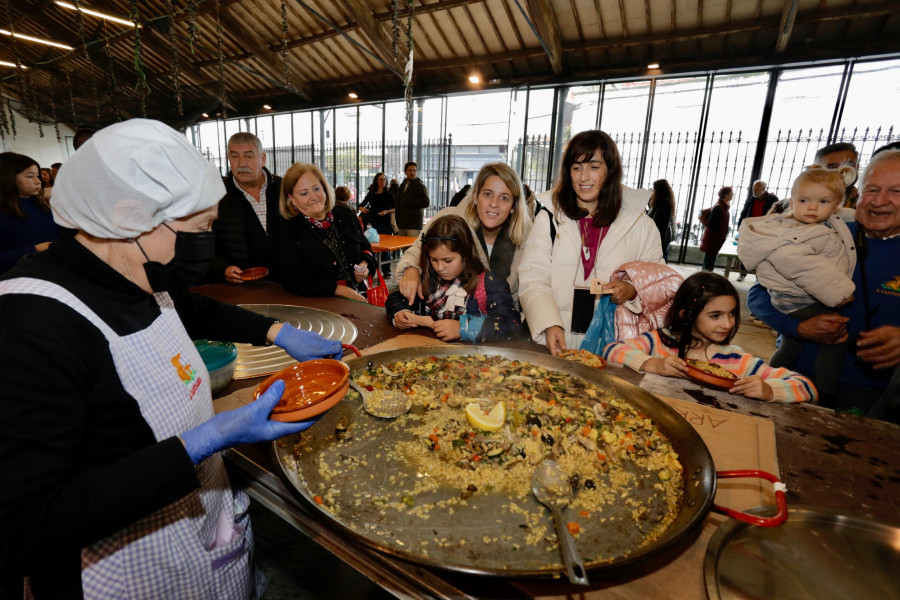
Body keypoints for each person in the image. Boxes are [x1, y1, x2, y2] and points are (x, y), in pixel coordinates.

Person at [0, 119, 343, 598]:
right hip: (124, 573)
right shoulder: (32, 322)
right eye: (197, 229)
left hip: (200, 540)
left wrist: (279, 331)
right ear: (128, 215)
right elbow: (23, 526)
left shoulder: (127, 265)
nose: (203, 241)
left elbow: (193, 306)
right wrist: (199, 443)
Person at [747, 148, 900, 420]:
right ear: (857, 193)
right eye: (872, 189)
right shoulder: (822, 233)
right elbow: (759, 293)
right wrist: (797, 326)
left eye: (896, 191)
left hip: (868, 390)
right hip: (793, 374)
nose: (880, 201)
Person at [517, 129, 665, 355]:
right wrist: (548, 322)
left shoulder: (640, 225)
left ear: (611, 171)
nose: (583, 177)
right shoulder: (549, 218)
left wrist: (632, 289)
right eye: (576, 167)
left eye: (594, 167)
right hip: (557, 339)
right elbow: (533, 275)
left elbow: (658, 280)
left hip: (615, 344)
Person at [738, 165, 855, 404]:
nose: (812, 207)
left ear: (837, 204)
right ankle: (826, 394)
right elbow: (808, 269)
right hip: (797, 299)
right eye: (803, 200)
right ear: (792, 201)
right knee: (835, 341)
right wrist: (841, 294)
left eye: (823, 201)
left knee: (792, 342)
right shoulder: (806, 232)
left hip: (790, 296)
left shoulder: (816, 226)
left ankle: (771, 377)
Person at [603, 272, 816, 403]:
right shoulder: (658, 342)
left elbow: (806, 386)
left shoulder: (735, 360)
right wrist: (652, 363)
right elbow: (610, 350)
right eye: (715, 316)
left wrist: (770, 391)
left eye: (732, 313)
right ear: (686, 315)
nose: (728, 323)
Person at [396, 162, 531, 309]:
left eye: (504, 198)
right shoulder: (449, 220)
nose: (494, 203)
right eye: (487, 194)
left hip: (505, 323)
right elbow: (415, 252)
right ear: (475, 196)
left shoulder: (528, 235)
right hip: (451, 316)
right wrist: (411, 270)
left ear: (514, 205)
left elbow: (533, 289)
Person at [385, 215, 522, 342]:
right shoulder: (428, 278)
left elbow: (512, 324)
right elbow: (396, 298)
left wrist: (463, 328)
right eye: (434, 259)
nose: (439, 267)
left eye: (448, 260)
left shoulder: (489, 283)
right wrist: (399, 312)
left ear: (466, 253)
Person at [272, 163, 376, 301]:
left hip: (360, 299)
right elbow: (294, 280)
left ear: (324, 187)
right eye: (304, 193)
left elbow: (366, 249)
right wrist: (340, 290)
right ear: (292, 199)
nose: (313, 196)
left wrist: (364, 265)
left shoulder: (345, 214)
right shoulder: (287, 231)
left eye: (316, 189)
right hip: (321, 307)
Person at [207, 132, 281, 284]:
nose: (241, 163)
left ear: (263, 159)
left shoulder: (284, 188)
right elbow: (205, 244)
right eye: (235, 156)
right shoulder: (215, 195)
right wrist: (223, 268)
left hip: (286, 284)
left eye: (248, 156)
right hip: (239, 287)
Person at [0, 152, 59, 274]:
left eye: (38, 176)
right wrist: (35, 249)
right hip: (20, 277)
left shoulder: (40, 206)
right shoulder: (3, 214)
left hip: (52, 270)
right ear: (8, 177)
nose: (38, 181)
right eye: (30, 176)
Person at [735, 180, 779, 280]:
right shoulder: (751, 199)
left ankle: (758, 276)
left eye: (756, 189)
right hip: (750, 229)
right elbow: (744, 213)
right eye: (753, 189)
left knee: (761, 253)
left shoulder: (772, 199)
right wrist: (739, 228)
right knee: (745, 250)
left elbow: (777, 214)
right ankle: (742, 273)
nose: (754, 191)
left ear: (763, 189)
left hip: (764, 230)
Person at [358, 173, 396, 274]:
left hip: (386, 223)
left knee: (385, 247)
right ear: (376, 181)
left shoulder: (389, 193)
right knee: (373, 246)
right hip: (374, 223)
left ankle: (386, 270)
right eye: (381, 179)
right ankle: (373, 268)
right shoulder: (372, 193)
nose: (383, 181)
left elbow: (395, 208)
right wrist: (364, 209)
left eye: (384, 179)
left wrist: (387, 212)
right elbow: (361, 205)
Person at [815, 142, 859, 208]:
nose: (843, 170)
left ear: (857, 167)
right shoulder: (805, 200)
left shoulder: (865, 202)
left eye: (849, 165)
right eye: (833, 167)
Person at [699, 186, 733, 272]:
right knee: (709, 262)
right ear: (726, 195)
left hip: (715, 239)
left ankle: (706, 278)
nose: (733, 194)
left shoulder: (724, 206)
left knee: (710, 260)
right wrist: (720, 231)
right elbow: (712, 224)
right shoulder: (719, 207)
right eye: (731, 193)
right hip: (713, 239)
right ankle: (705, 279)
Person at [394, 161, 430, 237]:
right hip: (402, 224)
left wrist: (410, 200)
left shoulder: (420, 186)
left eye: (414, 170)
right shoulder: (402, 185)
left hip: (413, 225)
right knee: (403, 248)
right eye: (410, 170)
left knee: (412, 247)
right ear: (405, 172)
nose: (412, 172)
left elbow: (426, 202)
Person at [647, 179, 676, 261]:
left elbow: (656, 222)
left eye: (654, 189)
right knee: (662, 258)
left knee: (660, 259)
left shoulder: (662, 204)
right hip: (664, 237)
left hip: (661, 237)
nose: (653, 191)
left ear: (659, 190)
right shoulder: (664, 202)